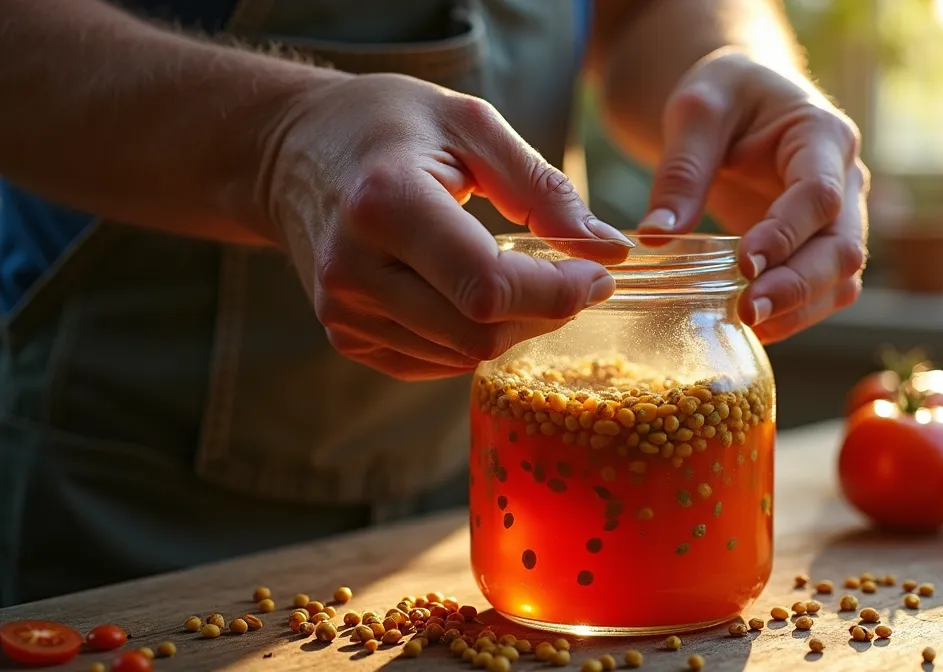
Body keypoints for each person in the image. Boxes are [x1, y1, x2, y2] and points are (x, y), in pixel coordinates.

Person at [0, 0, 869, 606]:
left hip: (457, 506)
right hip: (126, 477)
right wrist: (276, 142)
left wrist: (734, 58)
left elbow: (638, 8)